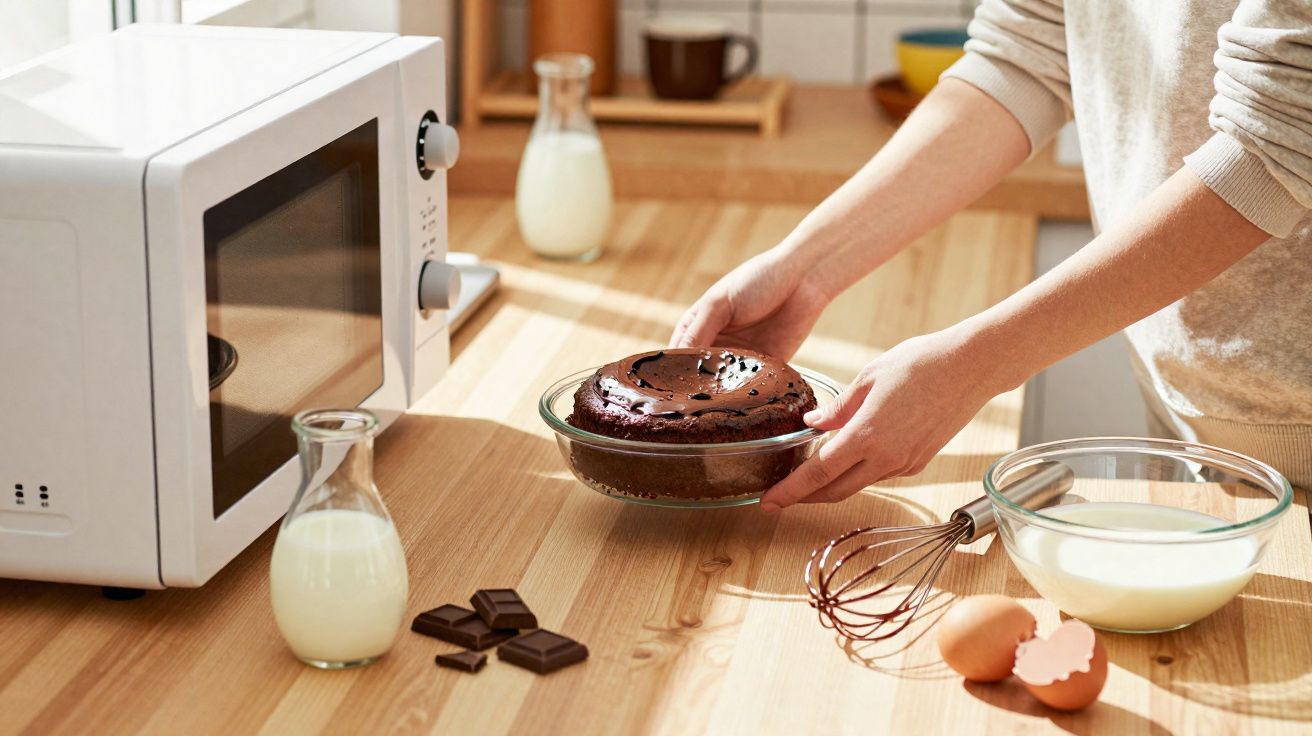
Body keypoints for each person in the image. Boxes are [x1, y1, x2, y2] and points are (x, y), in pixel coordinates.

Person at [671, 0, 1312, 512]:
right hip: (1188, 408)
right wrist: (803, 269)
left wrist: (977, 364)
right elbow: (1027, 49)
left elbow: (1276, 142)